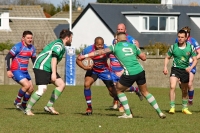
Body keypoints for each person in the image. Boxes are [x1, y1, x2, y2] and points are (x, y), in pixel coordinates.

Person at [78, 32, 166, 119]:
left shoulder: (114, 47)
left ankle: (128, 113)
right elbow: (144, 58)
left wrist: (84, 56)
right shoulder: (133, 46)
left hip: (128, 73)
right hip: (140, 71)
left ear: (118, 40)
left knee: (118, 90)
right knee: (145, 92)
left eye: (116, 39)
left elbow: (99, 52)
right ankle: (160, 112)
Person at [25, 29, 73, 116]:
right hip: (41, 66)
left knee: (61, 85)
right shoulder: (59, 45)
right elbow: (54, 58)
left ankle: (49, 106)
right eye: (71, 38)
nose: (72, 40)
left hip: (48, 68)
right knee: (42, 89)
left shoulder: (60, 44)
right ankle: (27, 109)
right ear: (67, 38)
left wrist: (53, 71)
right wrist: (54, 73)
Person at [76, 37, 118, 115]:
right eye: (98, 45)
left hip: (104, 71)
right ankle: (89, 108)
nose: (100, 47)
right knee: (86, 84)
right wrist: (85, 67)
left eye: (102, 45)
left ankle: (118, 100)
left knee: (112, 92)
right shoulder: (88, 50)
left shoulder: (107, 49)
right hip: (93, 70)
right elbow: (78, 59)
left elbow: (116, 55)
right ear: (95, 44)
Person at [163, 29, 197, 114]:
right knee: (172, 86)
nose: (180, 39)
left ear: (186, 38)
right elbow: (167, 57)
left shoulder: (190, 47)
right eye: (179, 37)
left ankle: (184, 108)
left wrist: (190, 67)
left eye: (182, 37)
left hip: (185, 70)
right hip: (175, 69)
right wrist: (165, 67)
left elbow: (195, 60)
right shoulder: (173, 47)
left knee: (184, 89)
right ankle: (172, 107)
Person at [110, 32, 143, 113]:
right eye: (115, 39)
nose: (116, 40)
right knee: (112, 91)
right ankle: (135, 89)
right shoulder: (113, 47)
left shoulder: (125, 47)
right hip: (113, 72)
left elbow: (131, 59)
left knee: (120, 89)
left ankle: (122, 106)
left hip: (122, 71)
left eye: (117, 38)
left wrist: (122, 71)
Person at [5, 31, 36, 112]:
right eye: (28, 38)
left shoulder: (32, 48)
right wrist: (8, 70)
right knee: (26, 85)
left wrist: (37, 69)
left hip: (25, 72)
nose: (30, 40)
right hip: (16, 70)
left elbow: (34, 60)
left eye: (31, 38)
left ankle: (23, 105)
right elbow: (7, 57)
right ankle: (17, 101)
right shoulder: (18, 46)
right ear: (23, 38)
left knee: (31, 88)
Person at [175, 26, 200, 105]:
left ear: (188, 34)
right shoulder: (177, 40)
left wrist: (193, 59)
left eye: (186, 32)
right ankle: (185, 94)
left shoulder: (192, 41)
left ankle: (190, 99)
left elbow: (199, 53)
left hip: (190, 64)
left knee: (189, 83)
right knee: (180, 83)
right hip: (181, 64)